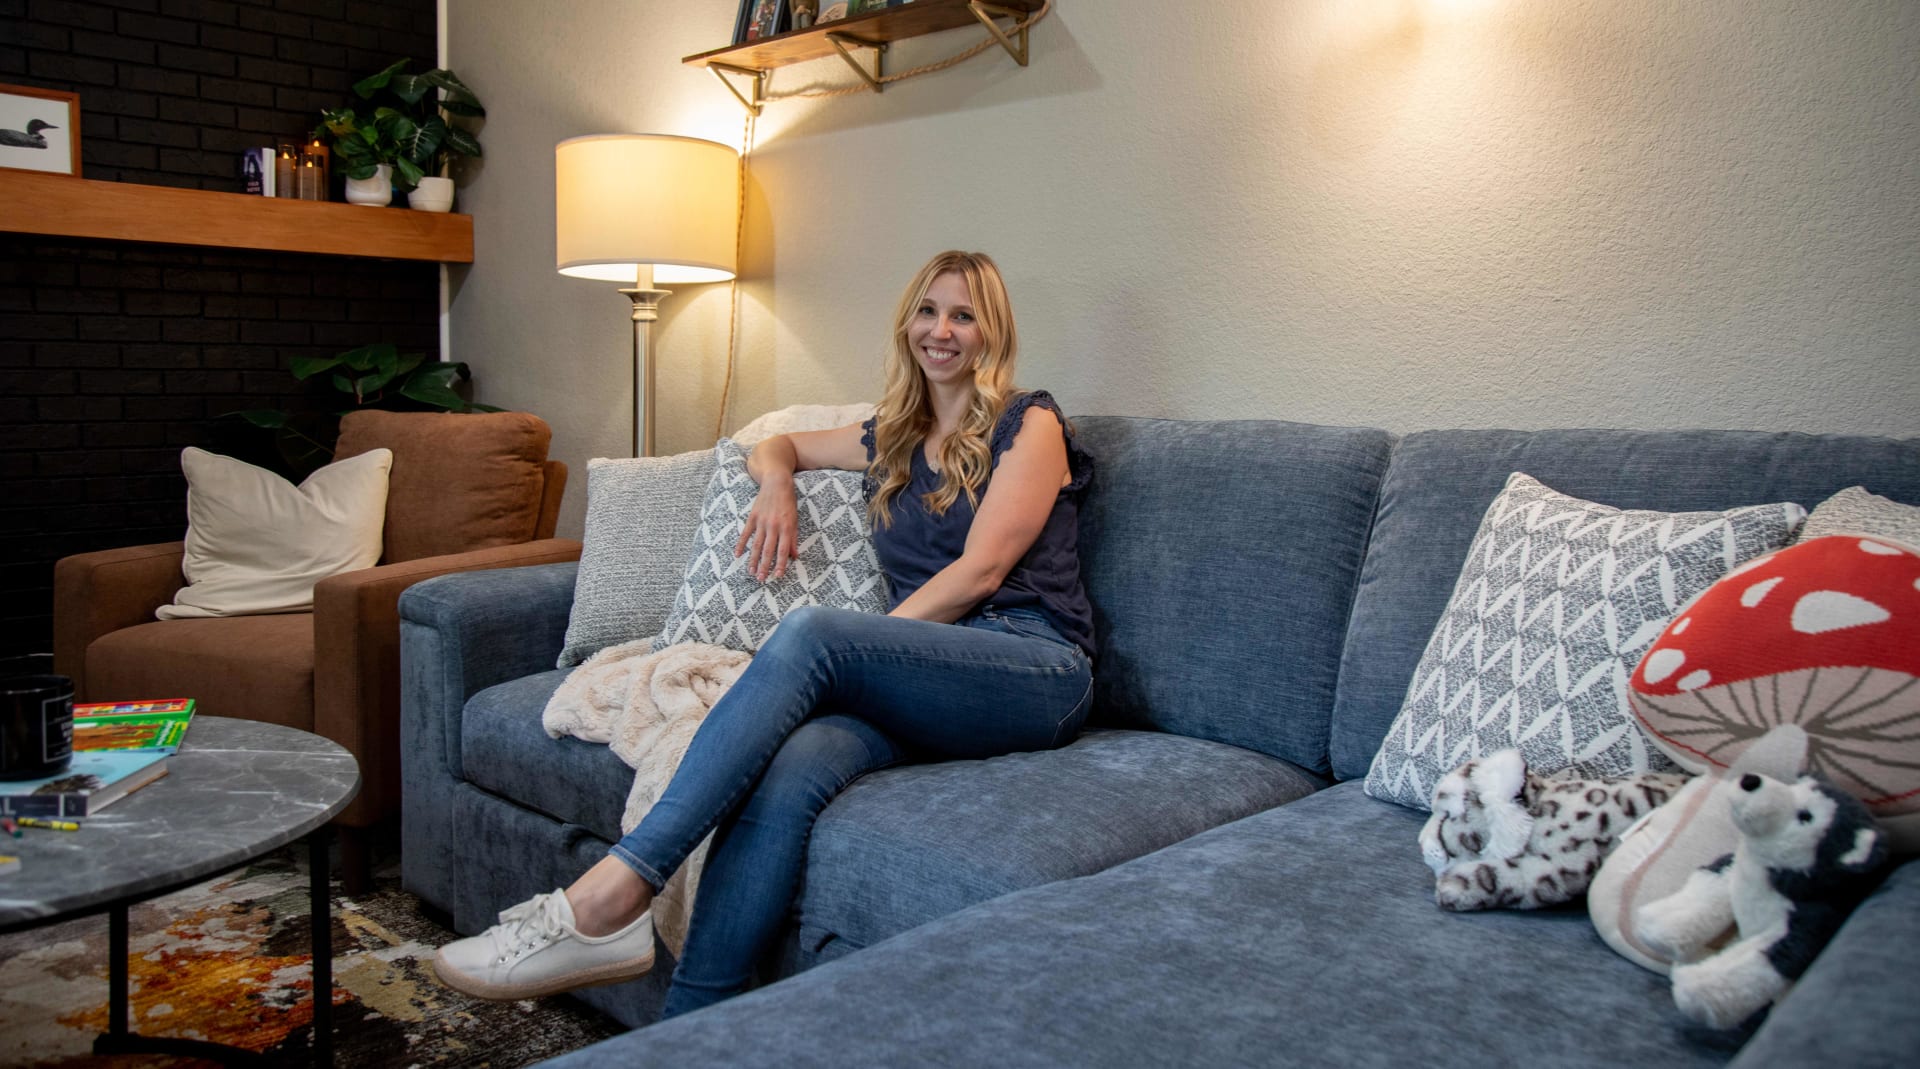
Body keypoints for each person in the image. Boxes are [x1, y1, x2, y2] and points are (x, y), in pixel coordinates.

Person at [432, 250, 1097, 1016]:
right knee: (794, 762)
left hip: (1034, 666)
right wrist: (777, 487)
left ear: (991, 333)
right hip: (937, 676)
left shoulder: (1031, 422)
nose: (940, 330)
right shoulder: (896, 435)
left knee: (816, 634)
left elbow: (981, 574)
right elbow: (775, 447)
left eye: (963, 315)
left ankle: (613, 895)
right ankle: (689, 1030)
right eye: (927, 310)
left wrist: (862, 649)